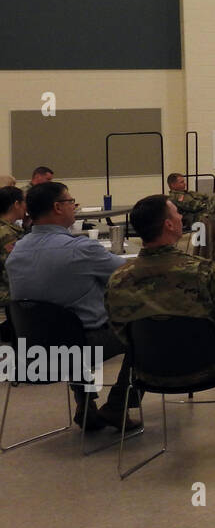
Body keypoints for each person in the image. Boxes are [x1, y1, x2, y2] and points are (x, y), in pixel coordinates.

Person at [107, 195, 215, 438]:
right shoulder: (204, 271)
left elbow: (120, 330)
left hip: (147, 370)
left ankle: (118, 405)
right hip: (207, 368)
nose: (181, 217)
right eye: (177, 213)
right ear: (169, 225)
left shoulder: (118, 278)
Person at [6, 182, 137, 431]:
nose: (74, 207)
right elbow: (128, 274)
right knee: (141, 331)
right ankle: (118, 406)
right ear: (58, 207)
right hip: (82, 346)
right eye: (71, 202)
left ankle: (85, 403)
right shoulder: (81, 250)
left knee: (68, 326)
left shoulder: (17, 251)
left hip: (31, 351)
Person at [0, 186, 26, 335]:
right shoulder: (6, 234)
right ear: (16, 204)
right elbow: (12, 268)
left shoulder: (9, 228)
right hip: (6, 294)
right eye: (24, 202)